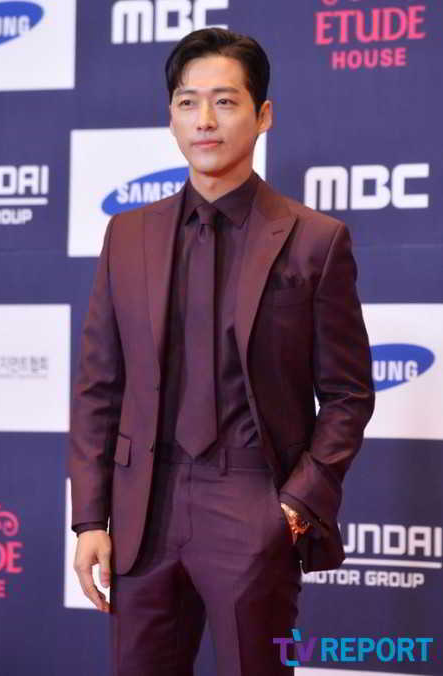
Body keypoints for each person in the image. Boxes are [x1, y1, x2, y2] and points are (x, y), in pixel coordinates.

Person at [69, 27, 374, 676]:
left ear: (263, 116)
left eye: (226, 102)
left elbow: (348, 394)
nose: (204, 120)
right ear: (171, 117)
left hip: (251, 498)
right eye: (188, 102)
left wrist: (294, 504)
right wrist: (90, 518)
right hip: (143, 510)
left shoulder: (315, 240)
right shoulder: (128, 235)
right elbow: (99, 386)